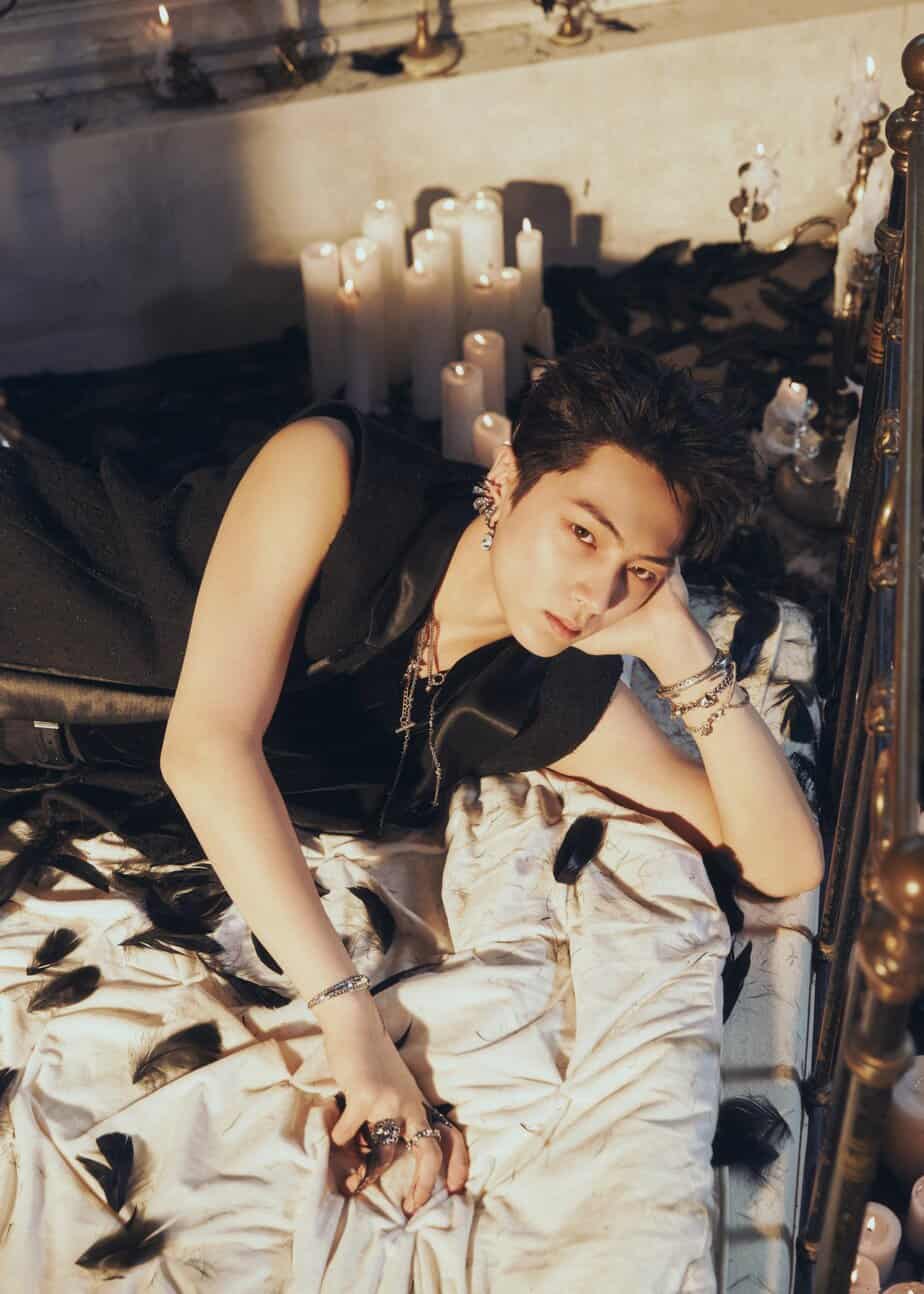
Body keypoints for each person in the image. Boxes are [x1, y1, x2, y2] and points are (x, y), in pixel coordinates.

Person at [0, 338, 825, 1217]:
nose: (595, 593)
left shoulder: (540, 685)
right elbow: (206, 748)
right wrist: (351, 1024)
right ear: (508, 476)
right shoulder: (332, 474)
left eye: (640, 572)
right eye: (582, 533)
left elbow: (785, 862)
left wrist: (682, 649)